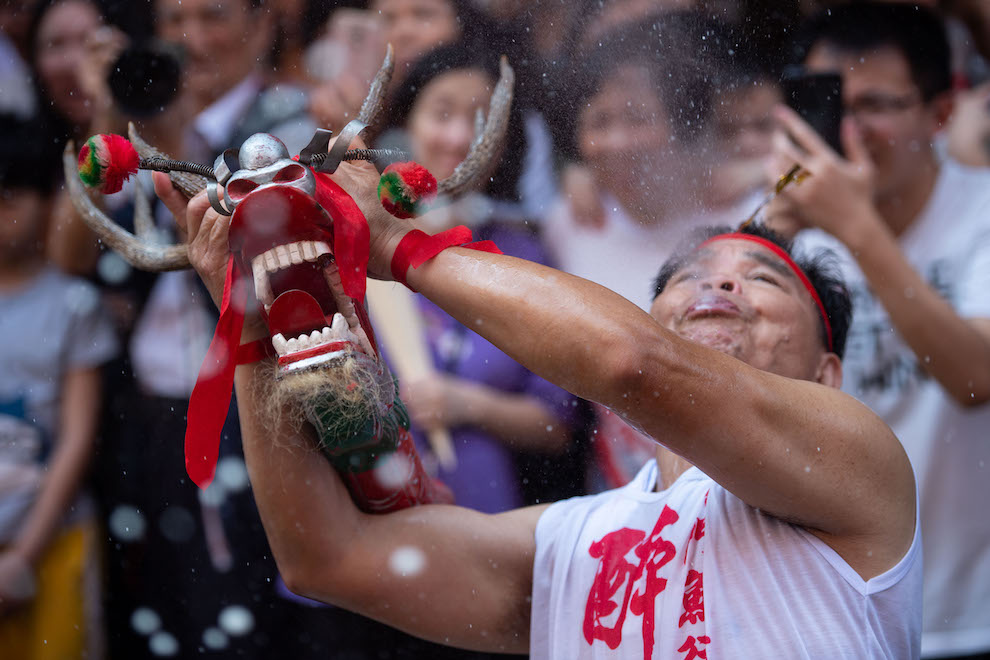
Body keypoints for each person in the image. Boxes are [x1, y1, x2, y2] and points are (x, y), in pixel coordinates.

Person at [156, 126, 921, 658]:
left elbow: (631, 362)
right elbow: (327, 558)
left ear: (829, 375)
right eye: (688, 277)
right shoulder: (575, 541)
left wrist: (395, 243)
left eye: (762, 279)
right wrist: (251, 308)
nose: (718, 281)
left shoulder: (862, 466)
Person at [765, 5, 990, 658]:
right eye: (828, 101)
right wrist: (771, 236)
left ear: (941, 114)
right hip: (827, 616)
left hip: (971, 609)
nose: (851, 130)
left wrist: (854, 226)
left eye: (878, 105)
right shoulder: (787, 219)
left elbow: (975, 377)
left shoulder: (981, 210)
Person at [0, 113, 118, 659]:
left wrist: (23, 555)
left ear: (50, 199)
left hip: (55, 538)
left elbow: (76, 439)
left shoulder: (73, 304)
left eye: (9, 199)